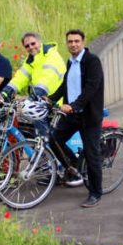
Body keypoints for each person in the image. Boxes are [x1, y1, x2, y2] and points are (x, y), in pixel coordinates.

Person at [49, 29, 105, 208]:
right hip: (71, 115)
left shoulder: (92, 61)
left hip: (88, 116)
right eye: (70, 41)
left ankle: (96, 193)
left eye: (76, 41)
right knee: (54, 139)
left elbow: (91, 88)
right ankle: (73, 164)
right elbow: (65, 84)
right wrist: (50, 98)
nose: (73, 44)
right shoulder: (71, 61)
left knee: (92, 155)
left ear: (83, 42)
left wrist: (74, 105)